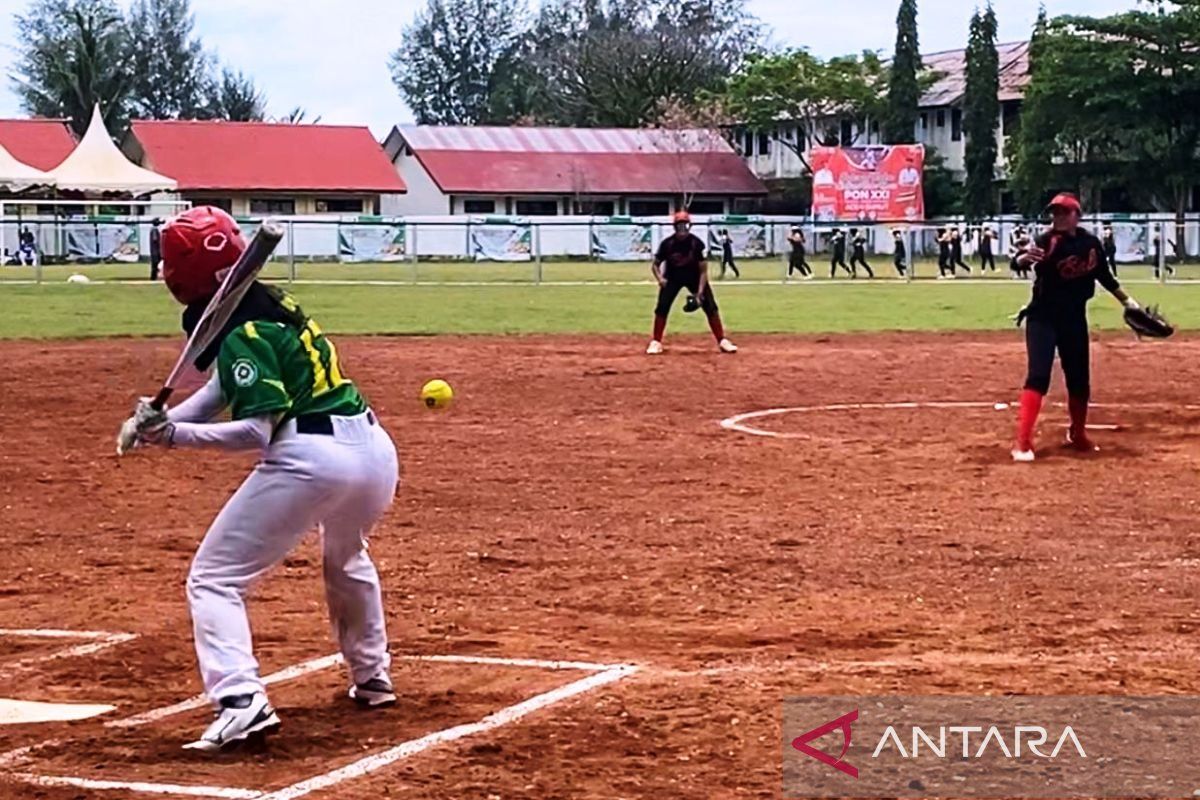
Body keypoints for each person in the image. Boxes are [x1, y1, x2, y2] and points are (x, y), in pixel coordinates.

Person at [117, 206, 401, 752]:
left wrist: (174, 438)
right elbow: (223, 389)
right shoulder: (265, 304)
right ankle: (372, 677)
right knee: (345, 557)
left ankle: (240, 700)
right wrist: (163, 421)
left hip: (312, 458)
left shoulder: (242, 326)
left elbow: (256, 432)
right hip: (372, 452)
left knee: (214, 578)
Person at [1010, 193, 1141, 462]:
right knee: (1038, 375)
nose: (1057, 217)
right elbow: (1023, 260)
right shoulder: (1048, 241)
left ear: (1076, 216)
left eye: (1063, 212)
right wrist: (1021, 260)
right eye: (1054, 212)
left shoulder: (1091, 244)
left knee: (1079, 379)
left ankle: (1077, 434)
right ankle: (1022, 442)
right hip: (1042, 317)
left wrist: (1128, 302)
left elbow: (1104, 276)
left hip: (1073, 318)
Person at [647, 211, 737, 354]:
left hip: (694, 277)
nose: (682, 229)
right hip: (672, 278)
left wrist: (700, 292)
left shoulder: (696, 243)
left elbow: (703, 270)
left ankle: (722, 340)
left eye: (685, 225)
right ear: (674, 227)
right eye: (679, 225)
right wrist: (660, 279)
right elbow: (655, 264)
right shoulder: (667, 244)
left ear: (690, 226)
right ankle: (656, 342)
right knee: (662, 307)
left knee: (710, 306)